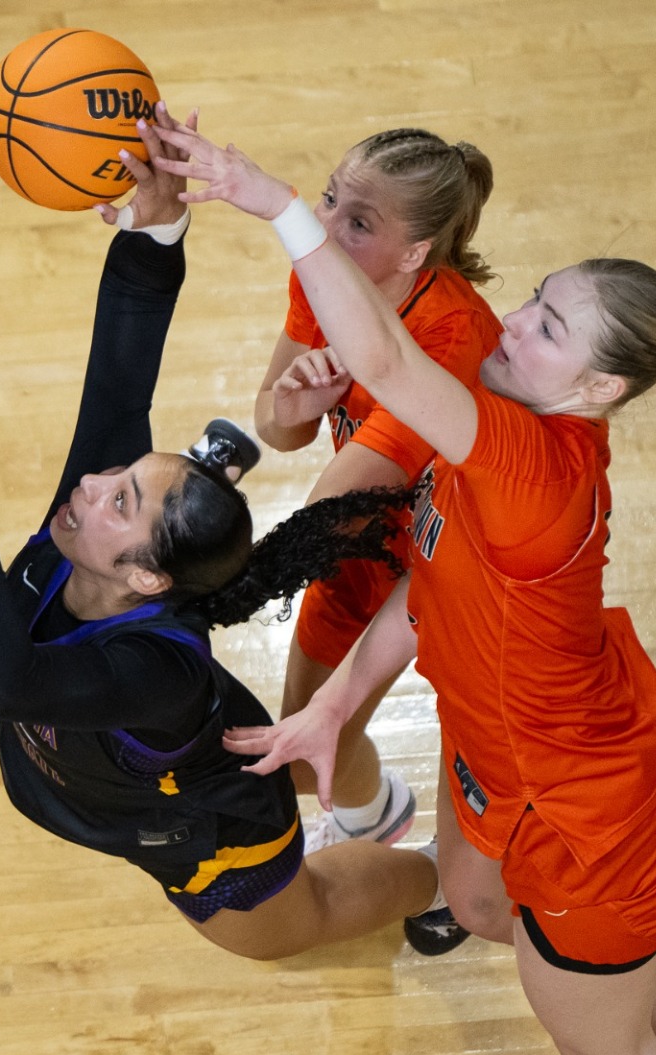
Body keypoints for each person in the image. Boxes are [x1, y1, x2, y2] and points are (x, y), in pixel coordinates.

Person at [154, 121, 656, 1055]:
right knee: (475, 908)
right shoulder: (501, 424)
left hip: (594, 815)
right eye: (534, 302)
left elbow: (387, 365)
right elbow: (426, 589)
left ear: (599, 387)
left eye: (549, 330)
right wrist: (335, 706)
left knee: (606, 1052)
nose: (512, 322)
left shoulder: (532, 467)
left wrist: (277, 204)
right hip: (497, 744)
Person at [0, 114, 445, 962]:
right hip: (109, 793)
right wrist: (157, 225)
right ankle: (375, 805)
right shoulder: (86, 532)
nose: (85, 485)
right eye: (113, 483)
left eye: (119, 497)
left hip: (206, 837)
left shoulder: (159, 671)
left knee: (294, 927)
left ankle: (438, 877)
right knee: (320, 760)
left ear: (148, 579)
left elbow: (6, 679)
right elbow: (119, 385)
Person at [252, 127, 502, 855]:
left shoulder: (453, 336)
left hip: (464, 569)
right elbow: (276, 423)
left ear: (416, 253)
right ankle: (373, 817)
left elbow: (330, 508)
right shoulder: (319, 277)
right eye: (329, 199)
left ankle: (471, 884)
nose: (325, 228)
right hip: (369, 543)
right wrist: (293, 406)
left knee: (488, 765)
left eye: (357, 222)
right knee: (304, 746)